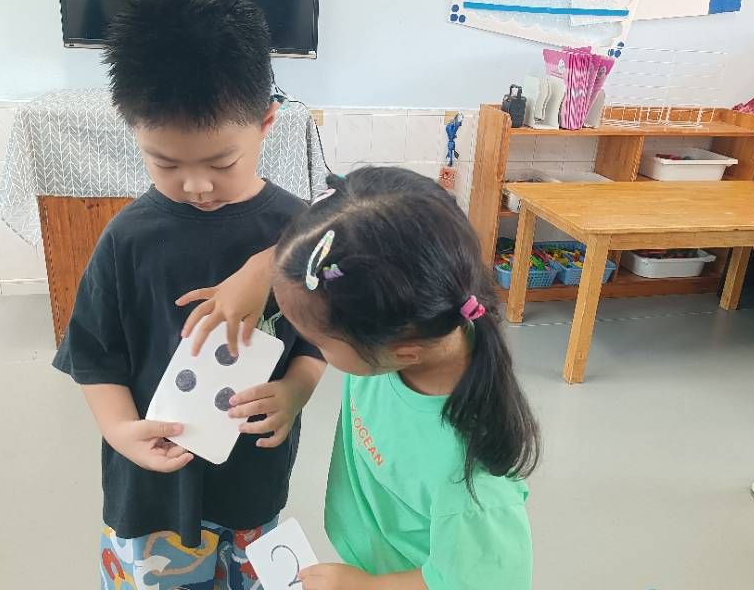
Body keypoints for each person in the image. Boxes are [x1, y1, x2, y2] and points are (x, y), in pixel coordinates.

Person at [52, 0, 325, 590]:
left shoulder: (298, 230)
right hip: (151, 491)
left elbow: (317, 337)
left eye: (222, 162)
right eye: (165, 162)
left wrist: (296, 391)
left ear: (266, 123)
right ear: (134, 130)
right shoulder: (127, 238)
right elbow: (95, 355)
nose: (197, 184)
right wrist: (121, 431)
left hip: (251, 484)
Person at [207, 167, 539, 589]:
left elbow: (480, 583)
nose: (311, 344)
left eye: (319, 341)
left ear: (400, 353)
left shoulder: (470, 480)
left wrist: (365, 586)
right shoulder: (396, 319)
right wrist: (261, 269)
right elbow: (357, 230)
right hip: (372, 558)